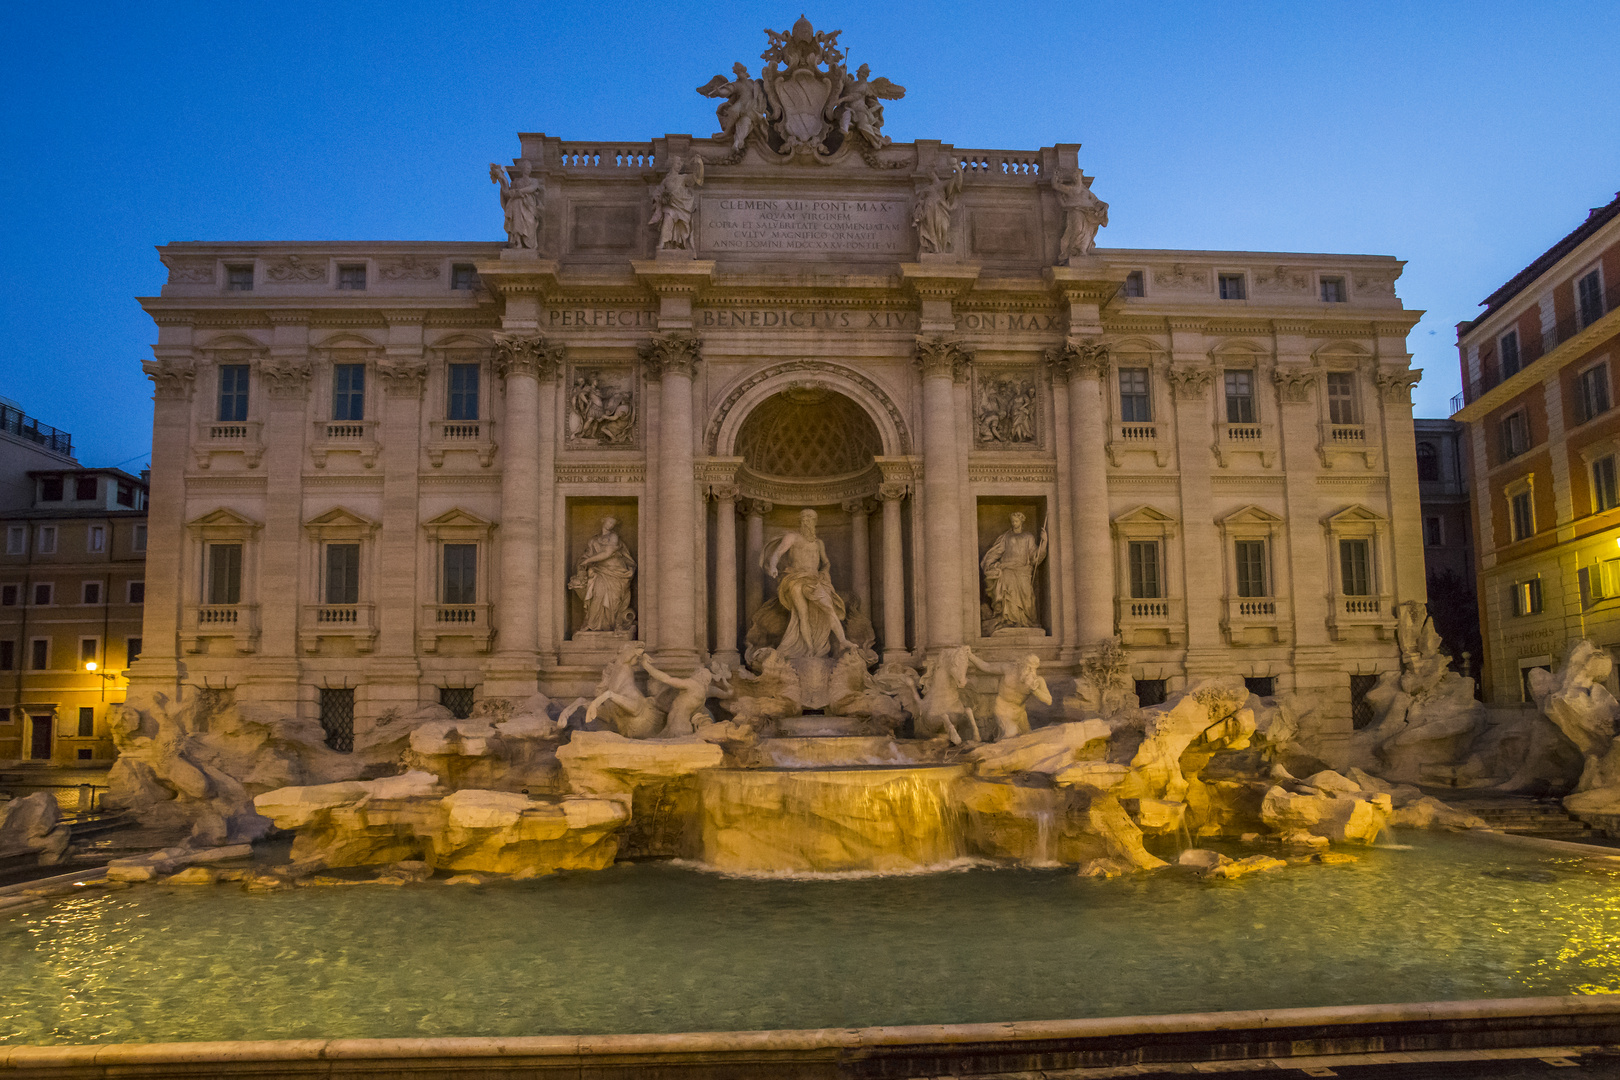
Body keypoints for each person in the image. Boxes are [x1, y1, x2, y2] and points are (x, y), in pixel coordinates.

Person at [763, 508, 854, 659]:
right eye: (805, 519)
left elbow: (825, 562)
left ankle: (842, 640)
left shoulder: (819, 543)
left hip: (814, 580)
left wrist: (824, 574)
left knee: (828, 607)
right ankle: (809, 649)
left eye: (811, 519)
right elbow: (778, 552)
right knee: (802, 614)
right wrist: (773, 565)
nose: (808, 522)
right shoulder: (792, 537)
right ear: (801, 521)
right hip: (796, 579)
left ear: (815, 522)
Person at [981, 512, 1048, 631]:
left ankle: (1026, 621)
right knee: (1008, 592)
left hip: (1023, 571)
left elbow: (1034, 557)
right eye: (1012, 521)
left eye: (1016, 521)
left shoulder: (1028, 537)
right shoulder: (1006, 536)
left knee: (1027, 597)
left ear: (1021, 522)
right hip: (1007, 569)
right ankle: (1009, 621)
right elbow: (997, 551)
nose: (1014, 523)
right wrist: (989, 563)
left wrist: (1044, 542)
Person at [570, 517, 636, 632]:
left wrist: (588, 561)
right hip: (600, 571)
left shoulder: (613, 537)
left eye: (613, 523)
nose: (610, 525)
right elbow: (587, 555)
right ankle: (592, 624)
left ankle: (615, 624)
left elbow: (607, 553)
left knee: (615, 599)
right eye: (609, 522)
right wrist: (583, 563)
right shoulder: (593, 540)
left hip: (617, 572)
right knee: (598, 593)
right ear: (603, 521)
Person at [489, 160, 543, 249]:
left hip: (528, 204)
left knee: (530, 222)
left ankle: (527, 242)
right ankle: (518, 241)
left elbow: (532, 188)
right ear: (522, 169)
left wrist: (519, 191)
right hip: (517, 203)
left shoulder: (534, 180)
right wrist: (502, 179)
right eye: (525, 168)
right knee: (517, 221)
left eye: (529, 168)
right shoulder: (516, 181)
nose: (527, 169)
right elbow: (507, 192)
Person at [912, 165, 962, 254]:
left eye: (931, 173)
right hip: (929, 208)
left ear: (936, 173)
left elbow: (957, 185)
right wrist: (921, 203)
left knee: (944, 229)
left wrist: (958, 170)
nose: (930, 175)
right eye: (928, 174)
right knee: (930, 229)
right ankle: (935, 248)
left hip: (941, 209)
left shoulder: (944, 184)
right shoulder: (926, 189)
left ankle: (942, 249)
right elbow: (919, 201)